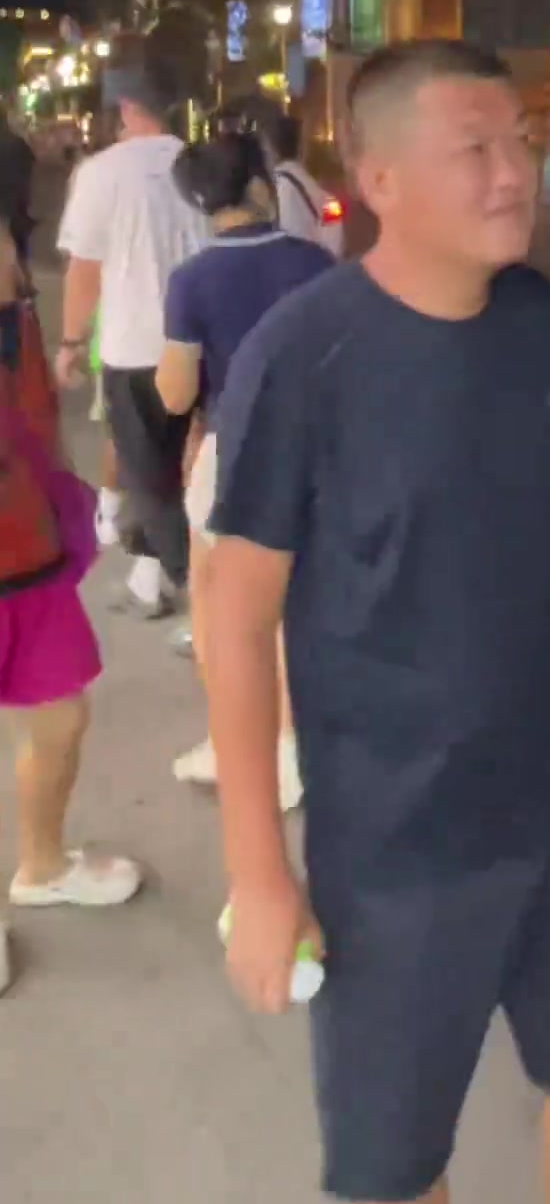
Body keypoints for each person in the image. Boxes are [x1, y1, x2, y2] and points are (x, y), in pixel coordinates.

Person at [203, 39, 550, 1204]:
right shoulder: (306, 356)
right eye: (475, 149)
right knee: (393, 1163)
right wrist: (260, 871)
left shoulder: (542, 322)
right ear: (379, 180)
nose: (513, 173)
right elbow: (233, 618)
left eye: (521, 142)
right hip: (395, 842)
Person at [155, 130, 333, 808]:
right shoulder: (316, 264)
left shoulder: (192, 279)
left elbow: (175, 393)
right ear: (260, 185)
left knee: (218, 599)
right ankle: (293, 747)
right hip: (317, 448)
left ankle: (237, 742)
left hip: (234, 446)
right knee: (293, 600)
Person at [0, 214, 139, 995]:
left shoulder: (15, 318)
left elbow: (38, 428)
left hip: (29, 557)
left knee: (60, 721)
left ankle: (43, 865)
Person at [55, 62, 207, 617]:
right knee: (190, 471)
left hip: (134, 348)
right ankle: (152, 579)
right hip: (200, 344)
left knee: (149, 476)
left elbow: (84, 269)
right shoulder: (198, 163)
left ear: (124, 108)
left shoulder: (102, 172)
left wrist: (71, 342)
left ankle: (201, 592)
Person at [262, 112, 343, 256]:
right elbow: (335, 239)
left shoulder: (276, 189)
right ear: (301, 148)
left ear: (271, 150)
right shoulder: (325, 196)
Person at [0, 104, 35, 269]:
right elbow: (31, 168)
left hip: (6, 209)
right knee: (18, 256)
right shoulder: (18, 143)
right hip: (17, 209)